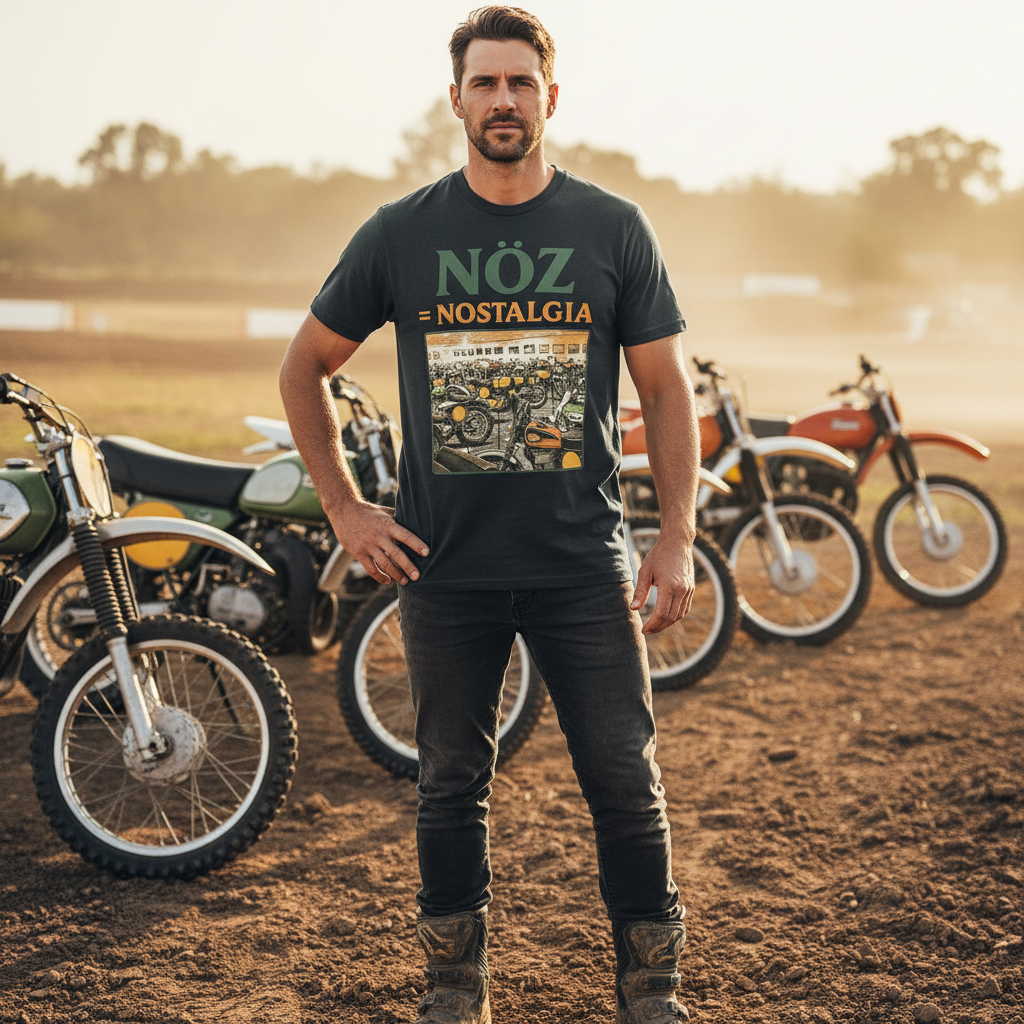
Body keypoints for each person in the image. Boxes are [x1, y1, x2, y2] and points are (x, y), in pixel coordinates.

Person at [279, 7, 700, 1022]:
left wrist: (676, 533)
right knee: (448, 782)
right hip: (446, 569)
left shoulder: (610, 228)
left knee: (623, 781)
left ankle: (651, 989)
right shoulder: (401, 233)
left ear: (550, 99)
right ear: (456, 99)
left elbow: (666, 390)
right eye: (484, 83)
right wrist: (345, 509)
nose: (503, 100)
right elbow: (305, 368)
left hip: (580, 564)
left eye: (520, 83)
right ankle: (452, 986)